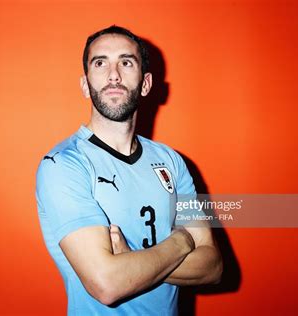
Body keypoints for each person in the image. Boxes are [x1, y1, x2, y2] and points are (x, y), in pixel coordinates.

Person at [36, 25, 222, 315]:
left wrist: (132, 259)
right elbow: (107, 284)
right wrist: (182, 240)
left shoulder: (171, 161)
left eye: (126, 62)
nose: (113, 75)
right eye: (100, 63)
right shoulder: (63, 164)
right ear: (85, 85)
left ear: (145, 84)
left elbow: (212, 266)